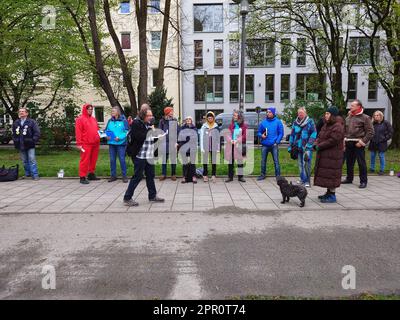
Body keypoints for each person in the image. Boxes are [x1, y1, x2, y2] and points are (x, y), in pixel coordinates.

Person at [123, 104, 164, 207]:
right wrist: (151, 131)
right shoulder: (136, 123)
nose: (151, 117)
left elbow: (152, 139)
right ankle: (127, 197)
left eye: (151, 115)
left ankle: (152, 195)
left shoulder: (147, 124)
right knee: (138, 176)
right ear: (143, 115)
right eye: (149, 115)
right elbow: (140, 137)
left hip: (149, 154)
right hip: (139, 155)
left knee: (150, 175)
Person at [313, 106, 345, 203]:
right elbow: (320, 136)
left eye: (328, 114)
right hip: (326, 155)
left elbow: (332, 140)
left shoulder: (338, 126)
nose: (325, 115)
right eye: (325, 113)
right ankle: (328, 193)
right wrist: (316, 143)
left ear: (333, 115)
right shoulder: (326, 125)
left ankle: (332, 195)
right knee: (327, 174)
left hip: (333, 156)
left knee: (331, 175)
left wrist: (320, 146)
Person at [342, 99, 374, 188]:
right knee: (349, 162)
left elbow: (370, 132)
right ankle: (349, 178)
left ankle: (363, 181)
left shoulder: (365, 117)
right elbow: (345, 130)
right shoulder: (348, 117)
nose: (350, 107)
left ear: (358, 107)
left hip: (358, 143)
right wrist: (344, 140)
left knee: (361, 163)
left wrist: (362, 142)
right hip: (348, 142)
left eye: (352, 105)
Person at [288, 107, 317, 187]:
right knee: (300, 164)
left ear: (305, 113)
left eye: (302, 113)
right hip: (298, 147)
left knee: (306, 164)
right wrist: (290, 146)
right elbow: (292, 134)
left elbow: (314, 133)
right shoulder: (295, 122)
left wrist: (309, 144)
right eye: (299, 113)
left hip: (307, 147)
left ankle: (307, 181)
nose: (300, 114)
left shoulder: (310, 121)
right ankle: (302, 179)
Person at [12, 107, 41, 180]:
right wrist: (15, 140)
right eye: (20, 111)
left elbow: (37, 133)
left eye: (23, 111)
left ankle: (35, 175)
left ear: (27, 113)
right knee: (24, 160)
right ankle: (27, 174)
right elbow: (14, 133)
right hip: (20, 144)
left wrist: (33, 140)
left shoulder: (32, 122)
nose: (21, 113)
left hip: (30, 144)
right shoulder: (16, 122)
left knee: (32, 159)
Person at [75, 103, 101, 184]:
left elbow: (97, 130)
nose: (90, 110)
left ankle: (91, 174)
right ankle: (82, 177)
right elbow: (78, 132)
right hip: (85, 144)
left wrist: (102, 135)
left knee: (93, 160)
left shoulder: (93, 119)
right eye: (88, 109)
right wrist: (79, 144)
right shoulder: (80, 119)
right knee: (84, 160)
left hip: (95, 143)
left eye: (91, 109)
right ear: (85, 110)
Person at [256, 107, 284, 180]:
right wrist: (261, 135)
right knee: (263, 160)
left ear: (273, 113)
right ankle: (262, 175)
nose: (268, 113)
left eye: (269, 112)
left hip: (274, 145)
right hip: (265, 145)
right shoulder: (263, 122)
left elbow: (281, 133)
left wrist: (277, 142)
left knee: (276, 161)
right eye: (267, 112)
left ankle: (278, 176)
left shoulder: (278, 122)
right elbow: (258, 132)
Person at [105, 106, 129, 183]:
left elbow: (127, 131)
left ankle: (124, 176)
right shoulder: (110, 121)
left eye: (113, 111)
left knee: (122, 159)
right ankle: (113, 176)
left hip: (121, 143)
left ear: (118, 112)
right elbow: (107, 130)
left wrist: (120, 137)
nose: (112, 113)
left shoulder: (123, 120)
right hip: (111, 143)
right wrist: (107, 136)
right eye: (111, 111)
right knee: (112, 160)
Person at [225, 110, 248, 183]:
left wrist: (237, 140)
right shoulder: (231, 125)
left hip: (239, 145)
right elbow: (227, 134)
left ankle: (240, 177)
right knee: (230, 162)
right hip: (231, 145)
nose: (233, 116)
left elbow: (245, 136)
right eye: (233, 115)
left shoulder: (244, 126)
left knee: (240, 161)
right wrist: (230, 140)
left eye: (235, 115)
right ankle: (230, 177)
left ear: (239, 117)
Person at [368, 110, 393, 175]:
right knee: (372, 156)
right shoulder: (373, 123)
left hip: (382, 143)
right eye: (375, 115)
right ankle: (372, 168)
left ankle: (382, 170)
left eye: (377, 115)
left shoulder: (386, 123)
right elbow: (369, 131)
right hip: (373, 142)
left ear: (381, 116)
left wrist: (385, 138)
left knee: (381, 156)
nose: (376, 116)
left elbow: (390, 132)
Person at [159, 106, 179, 181]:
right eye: (171, 111)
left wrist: (177, 142)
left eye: (172, 111)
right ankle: (163, 174)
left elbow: (177, 131)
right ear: (167, 112)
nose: (172, 113)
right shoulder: (162, 121)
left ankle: (173, 174)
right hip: (164, 143)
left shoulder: (174, 120)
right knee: (164, 159)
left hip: (173, 142)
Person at [200, 111, 220, 183]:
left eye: (211, 118)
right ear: (207, 119)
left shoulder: (216, 126)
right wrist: (202, 147)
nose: (210, 119)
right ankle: (205, 175)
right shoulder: (204, 126)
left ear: (213, 118)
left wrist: (218, 148)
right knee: (205, 161)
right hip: (206, 146)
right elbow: (201, 137)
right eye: (208, 118)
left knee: (213, 161)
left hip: (214, 146)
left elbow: (218, 138)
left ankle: (213, 175)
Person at [178, 116, 198, 184]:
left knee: (192, 163)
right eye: (187, 119)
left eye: (190, 119)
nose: (188, 120)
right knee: (185, 163)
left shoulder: (194, 128)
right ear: (185, 121)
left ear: (191, 121)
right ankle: (184, 176)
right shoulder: (182, 128)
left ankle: (194, 176)